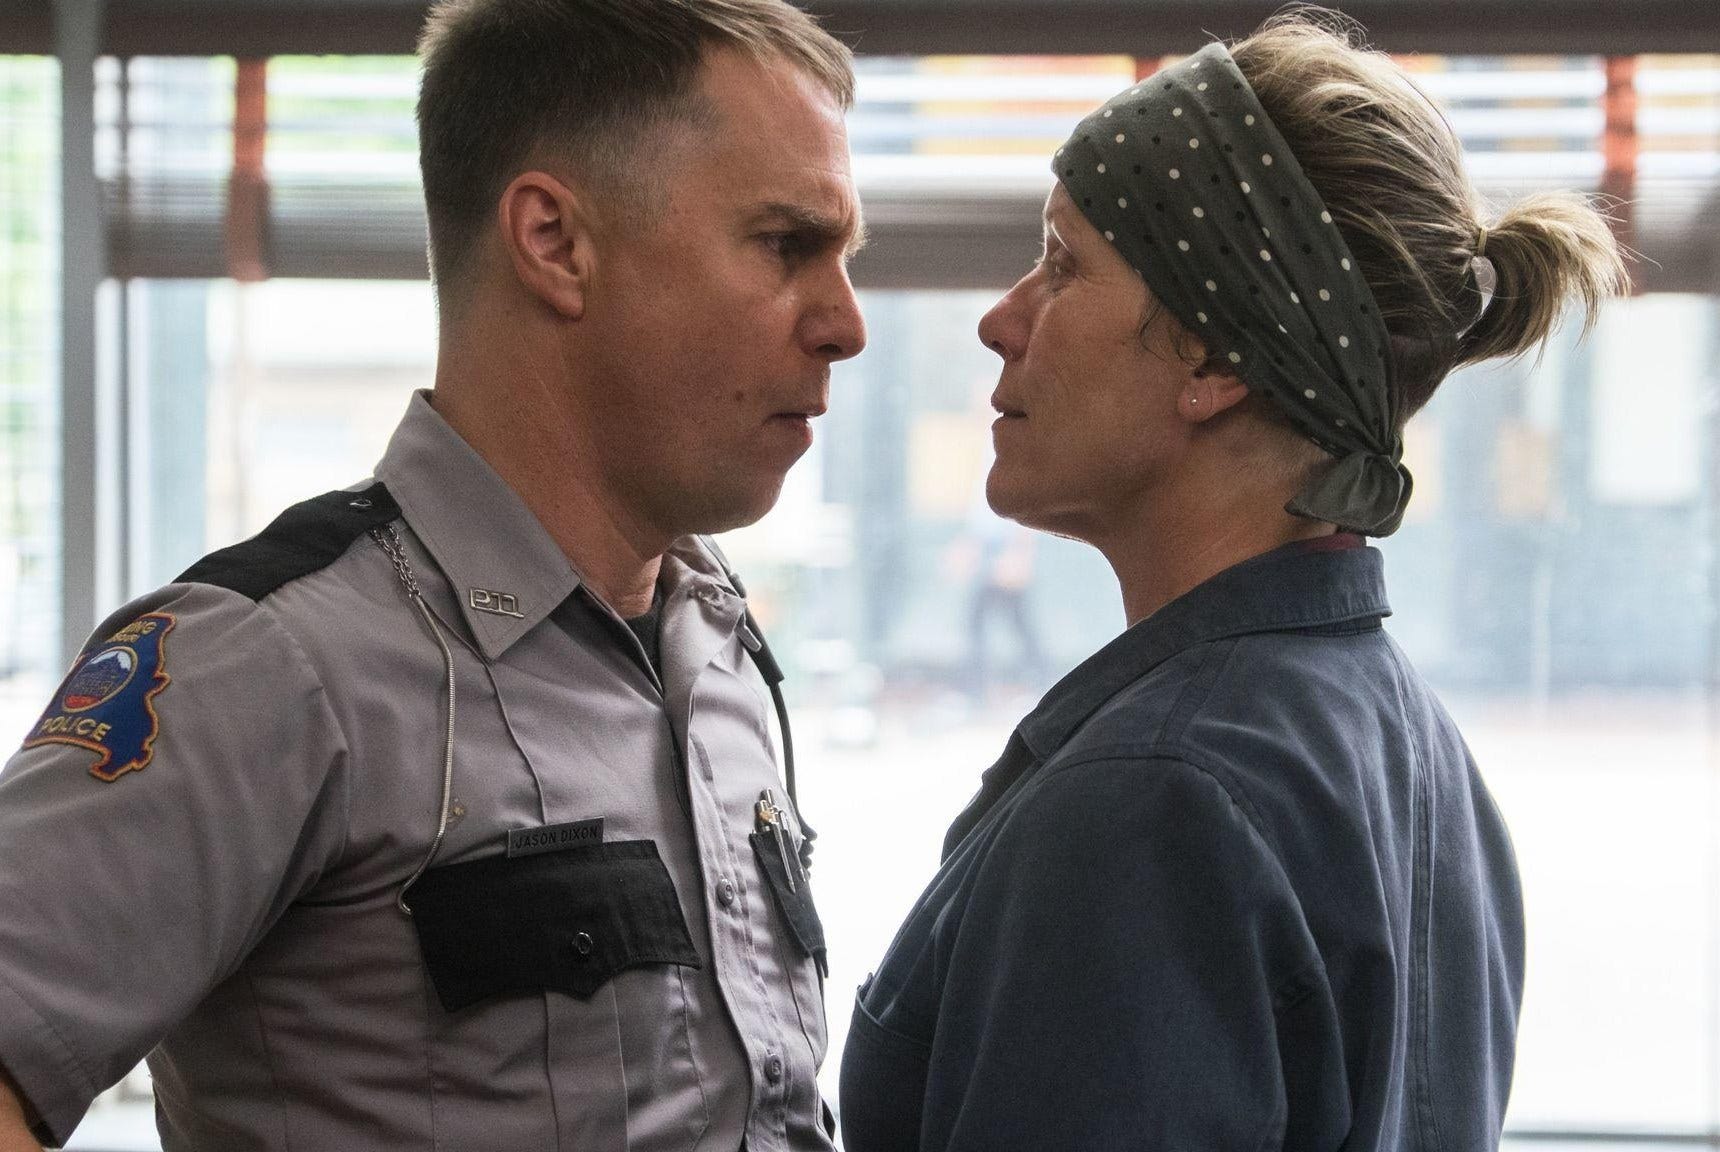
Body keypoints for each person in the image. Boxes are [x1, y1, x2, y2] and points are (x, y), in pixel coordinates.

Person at [0, 0, 865, 1148]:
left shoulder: (712, 643)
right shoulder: (272, 662)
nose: (845, 323)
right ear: (554, 241)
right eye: (787, 246)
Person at [841, 12, 1626, 1151]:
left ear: (1211, 357)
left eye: (1063, 265)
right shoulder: (1412, 749)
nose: (999, 319)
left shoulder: (1150, 806)